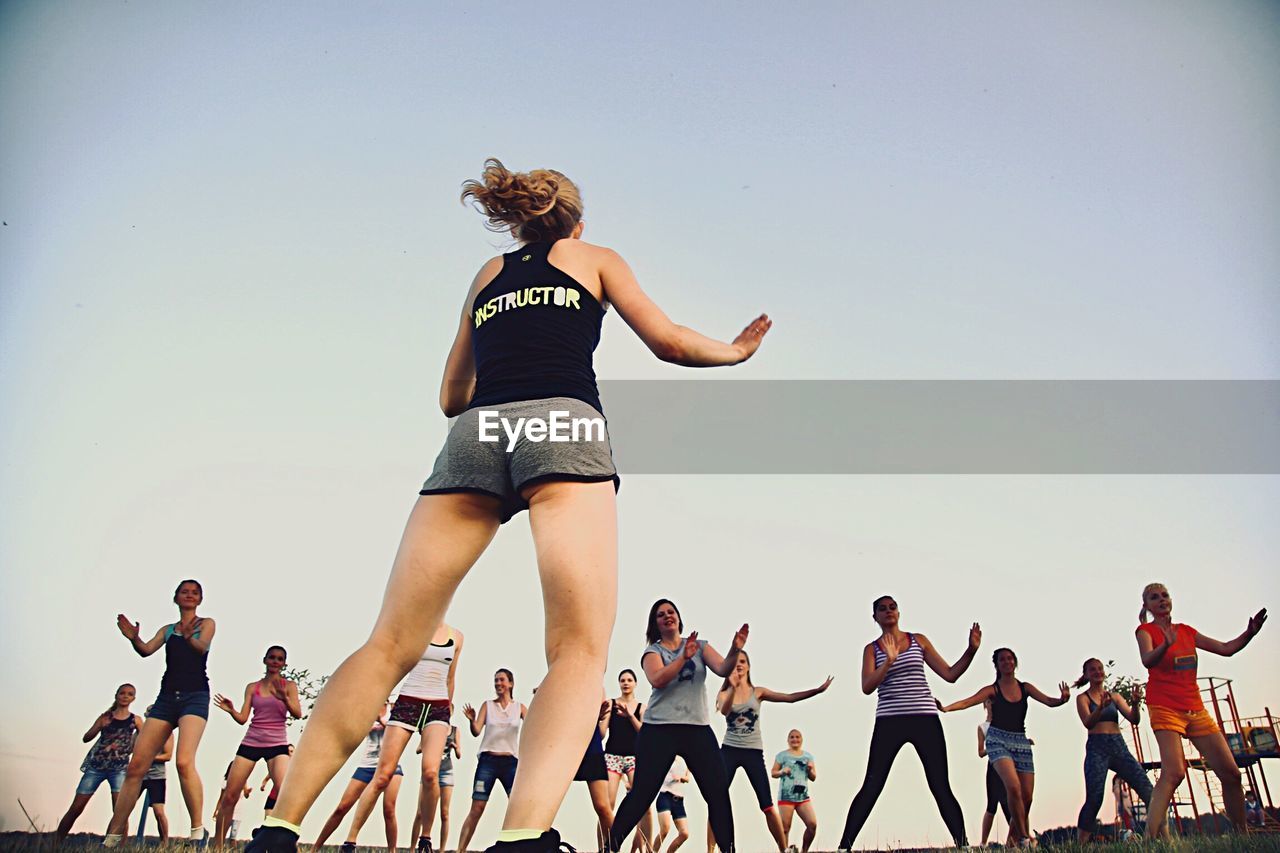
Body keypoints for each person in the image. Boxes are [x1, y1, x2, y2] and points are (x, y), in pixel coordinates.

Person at [243, 159, 771, 853]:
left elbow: (449, 396)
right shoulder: (596, 257)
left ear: (521, 221)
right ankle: (524, 836)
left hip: (476, 433)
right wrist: (733, 351)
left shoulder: (487, 275)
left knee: (390, 643)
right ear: (575, 222)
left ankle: (278, 828)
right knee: (577, 649)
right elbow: (668, 340)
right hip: (564, 425)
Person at [837, 596, 981, 849]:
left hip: (925, 719)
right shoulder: (872, 649)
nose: (888, 611)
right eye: (882, 609)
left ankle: (963, 845)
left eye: (892, 607)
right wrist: (889, 662)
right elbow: (867, 687)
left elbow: (950, 675)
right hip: (889, 721)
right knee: (872, 784)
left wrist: (971, 650)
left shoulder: (918, 640)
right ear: (875, 617)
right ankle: (844, 846)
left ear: (899, 612)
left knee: (940, 784)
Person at [608, 599, 749, 853]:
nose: (667, 616)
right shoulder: (653, 652)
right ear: (656, 624)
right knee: (641, 794)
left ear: (678, 617)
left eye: (670, 612)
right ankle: (610, 848)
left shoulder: (700, 646)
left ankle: (729, 850)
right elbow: (658, 679)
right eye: (660, 615)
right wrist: (683, 658)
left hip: (696, 728)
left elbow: (722, 668)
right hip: (659, 729)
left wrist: (735, 649)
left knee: (718, 793)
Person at [1135, 582, 1266, 838]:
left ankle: (1242, 837)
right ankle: (1149, 839)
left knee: (1231, 773)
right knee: (1174, 773)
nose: (1161, 600)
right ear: (1147, 606)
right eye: (1154, 597)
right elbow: (1147, 659)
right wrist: (1165, 645)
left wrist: (1249, 633)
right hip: (1164, 706)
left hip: (1194, 707)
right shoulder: (1145, 631)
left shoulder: (1186, 631)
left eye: (1165, 595)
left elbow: (1226, 649)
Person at [104, 579, 216, 846]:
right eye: (184, 592)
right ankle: (113, 835)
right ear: (176, 598)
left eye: (194, 593)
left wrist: (190, 636)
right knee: (136, 767)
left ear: (199, 599)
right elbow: (145, 651)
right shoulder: (167, 630)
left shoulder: (206, 624)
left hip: (195, 697)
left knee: (183, 762)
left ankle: (197, 830)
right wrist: (134, 639)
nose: (189, 595)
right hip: (166, 698)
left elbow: (202, 648)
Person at [349, 624, 462, 853]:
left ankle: (425, 839)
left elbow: (450, 678)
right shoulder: (415, 626)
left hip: (438, 708)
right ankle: (350, 840)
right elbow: (393, 665)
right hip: (408, 702)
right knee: (383, 775)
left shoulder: (456, 636)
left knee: (431, 773)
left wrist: (447, 712)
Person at [938, 648, 1070, 845]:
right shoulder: (993, 689)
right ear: (997, 665)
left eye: (1010, 659)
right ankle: (1025, 838)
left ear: (1015, 663)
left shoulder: (1026, 688)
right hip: (997, 740)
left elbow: (1050, 702)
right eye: (1002, 660)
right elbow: (969, 701)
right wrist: (946, 708)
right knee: (1013, 788)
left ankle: (1013, 840)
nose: (1007, 662)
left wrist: (1062, 699)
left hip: (1021, 741)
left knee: (1027, 798)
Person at [708, 653, 831, 853]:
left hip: (753, 752)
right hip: (729, 751)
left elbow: (789, 698)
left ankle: (783, 849)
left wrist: (816, 691)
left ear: (748, 667)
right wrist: (732, 687)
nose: (738, 666)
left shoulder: (758, 692)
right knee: (716, 801)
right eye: (735, 663)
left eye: (742, 662)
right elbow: (724, 710)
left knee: (766, 804)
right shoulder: (723, 694)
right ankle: (711, 850)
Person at [212, 645, 302, 846]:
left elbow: (297, 713)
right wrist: (231, 710)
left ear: (284, 664)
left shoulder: (289, 686)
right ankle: (217, 846)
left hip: (277, 743)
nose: (275, 662)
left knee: (284, 794)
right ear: (265, 660)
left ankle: (283, 844)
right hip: (252, 741)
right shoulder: (253, 687)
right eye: (272, 658)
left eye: (280, 659)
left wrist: (285, 699)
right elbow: (243, 718)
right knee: (230, 795)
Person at [1073, 658, 1153, 842]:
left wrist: (1134, 703)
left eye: (1100, 669)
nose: (1097, 672)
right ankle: (1081, 843)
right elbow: (1088, 722)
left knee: (1147, 789)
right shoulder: (1082, 698)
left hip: (1118, 746)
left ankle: (1157, 836)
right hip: (1097, 748)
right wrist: (1100, 708)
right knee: (1095, 797)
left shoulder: (1115, 697)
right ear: (1086, 674)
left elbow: (1134, 719)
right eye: (1092, 670)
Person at [55, 685, 144, 841]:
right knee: (76, 808)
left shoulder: (135, 720)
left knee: (120, 812)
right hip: (96, 767)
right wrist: (99, 727)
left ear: (133, 699)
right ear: (116, 695)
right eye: (122, 693)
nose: (125, 696)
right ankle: (55, 843)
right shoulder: (106, 717)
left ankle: (121, 848)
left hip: (119, 769)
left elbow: (147, 738)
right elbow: (86, 737)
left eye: (129, 694)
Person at [310, 707, 403, 852]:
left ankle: (392, 850)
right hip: (366, 766)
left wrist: (381, 721)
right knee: (342, 807)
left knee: (389, 810)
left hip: (390, 766)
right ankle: (315, 848)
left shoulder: (394, 710)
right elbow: (353, 733)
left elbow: (398, 736)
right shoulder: (367, 709)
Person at [456, 669, 528, 853]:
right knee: (477, 807)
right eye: (496, 680)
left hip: (510, 763)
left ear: (510, 683)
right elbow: (476, 731)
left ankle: (519, 848)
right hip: (488, 761)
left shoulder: (519, 707)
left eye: (502, 680)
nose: (498, 684)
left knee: (516, 806)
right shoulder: (488, 705)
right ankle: (460, 850)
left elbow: (533, 725)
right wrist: (472, 720)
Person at [604, 670, 653, 853]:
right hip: (612, 756)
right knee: (607, 804)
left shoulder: (642, 707)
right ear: (619, 683)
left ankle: (647, 849)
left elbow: (644, 734)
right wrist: (601, 717)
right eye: (622, 680)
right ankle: (606, 846)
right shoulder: (611, 704)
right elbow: (602, 734)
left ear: (635, 683)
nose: (626, 683)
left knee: (644, 804)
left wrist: (630, 716)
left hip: (634, 757)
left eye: (629, 680)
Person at [576, 693, 615, 852]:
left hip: (591, 749)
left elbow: (601, 732)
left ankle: (613, 848)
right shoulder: (560, 679)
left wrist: (597, 716)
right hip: (563, 748)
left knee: (603, 806)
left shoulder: (595, 682)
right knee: (546, 804)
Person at [772, 730, 817, 853]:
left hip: (803, 797)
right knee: (785, 828)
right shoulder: (782, 756)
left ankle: (804, 850)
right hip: (786, 797)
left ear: (801, 739)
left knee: (812, 824)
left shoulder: (808, 756)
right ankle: (785, 851)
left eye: (797, 737)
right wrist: (782, 771)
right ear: (788, 740)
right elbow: (773, 773)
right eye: (792, 737)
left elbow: (813, 777)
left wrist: (810, 770)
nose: (795, 739)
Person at [975, 698, 1009, 847]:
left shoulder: (1004, 724)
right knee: (992, 805)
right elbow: (980, 752)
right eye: (988, 702)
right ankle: (983, 843)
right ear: (985, 705)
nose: (991, 704)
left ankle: (1020, 838)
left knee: (1010, 803)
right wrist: (993, 747)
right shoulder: (982, 727)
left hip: (1007, 767)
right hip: (993, 768)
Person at [140, 719, 176, 844]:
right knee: (123, 809)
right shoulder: (141, 732)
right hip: (139, 774)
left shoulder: (167, 733)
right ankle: (116, 842)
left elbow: (168, 755)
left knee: (159, 812)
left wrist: (149, 757)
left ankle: (164, 843)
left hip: (157, 776)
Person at [653, 758, 690, 853]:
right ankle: (652, 851)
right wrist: (673, 777)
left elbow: (687, 777)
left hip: (679, 801)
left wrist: (683, 778)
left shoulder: (686, 758)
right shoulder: (668, 754)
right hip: (665, 797)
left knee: (684, 833)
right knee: (665, 829)